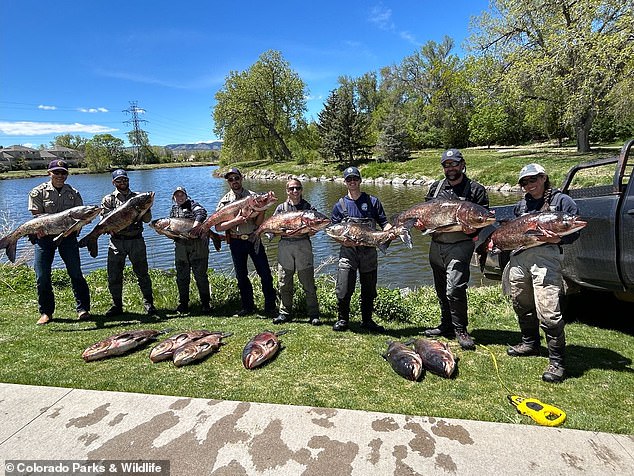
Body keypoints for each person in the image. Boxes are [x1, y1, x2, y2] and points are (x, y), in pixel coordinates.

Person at [506, 163, 579, 383]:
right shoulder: (522, 205)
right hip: (520, 258)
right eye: (525, 182)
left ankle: (556, 362)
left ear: (544, 178)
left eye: (533, 179)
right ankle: (530, 343)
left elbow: (574, 231)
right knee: (520, 300)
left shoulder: (562, 201)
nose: (530, 185)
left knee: (548, 309)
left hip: (546, 258)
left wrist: (557, 238)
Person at [422, 149, 489, 350]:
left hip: (461, 244)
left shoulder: (476, 190)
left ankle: (461, 329)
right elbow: (426, 217)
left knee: (455, 288)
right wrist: (421, 225)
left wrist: (474, 228)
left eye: (454, 164)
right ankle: (446, 325)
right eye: (446, 165)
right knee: (441, 288)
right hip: (437, 244)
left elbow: (484, 219)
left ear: (462, 164)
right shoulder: (436, 188)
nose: (450, 168)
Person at [28, 159, 91, 325]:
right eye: (56, 172)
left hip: (68, 238)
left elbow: (81, 217)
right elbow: (36, 217)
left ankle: (83, 309)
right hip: (44, 239)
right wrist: (38, 230)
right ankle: (46, 312)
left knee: (76, 273)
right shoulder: (38, 192)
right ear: (49, 173)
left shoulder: (74, 193)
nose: (60, 175)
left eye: (63, 172)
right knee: (42, 275)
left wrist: (82, 224)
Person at [330, 166, 391, 333]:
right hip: (348, 252)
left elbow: (384, 223)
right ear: (345, 182)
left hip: (369, 251)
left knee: (369, 289)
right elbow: (332, 230)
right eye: (349, 179)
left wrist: (391, 232)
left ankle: (367, 320)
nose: (352, 182)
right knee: (343, 287)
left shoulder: (372, 201)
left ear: (360, 180)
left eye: (355, 178)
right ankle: (342, 320)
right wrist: (343, 241)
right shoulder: (339, 205)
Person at [214, 167, 276, 316]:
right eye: (230, 179)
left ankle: (270, 307)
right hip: (236, 242)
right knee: (241, 276)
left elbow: (258, 224)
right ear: (228, 182)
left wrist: (262, 209)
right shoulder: (224, 202)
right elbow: (218, 227)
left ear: (241, 178)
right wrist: (235, 221)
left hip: (253, 239)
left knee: (265, 273)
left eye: (236, 178)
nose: (234, 181)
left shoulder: (253, 197)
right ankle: (247, 307)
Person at [102, 169, 156, 316]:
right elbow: (104, 221)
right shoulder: (108, 200)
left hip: (136, 240)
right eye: (118, 180)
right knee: (114, 275)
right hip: (116, 242)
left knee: (142, 274)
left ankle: (149, 303)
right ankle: (117, 305)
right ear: (113, 182)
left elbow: (147, 220)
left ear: (128, 180)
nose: (122, 183)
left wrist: (147, 207)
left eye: (124, 180)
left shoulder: (139, 197)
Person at [272, 178, 321, 326]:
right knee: (284, 281)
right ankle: (285, 313)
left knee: (308, 281)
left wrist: (311, 230)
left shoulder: (308, 208)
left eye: (298, 188)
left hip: (303, 245)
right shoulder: (281, 208)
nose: (295, 191)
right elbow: (273, 228)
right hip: (285, 245)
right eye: (292, 188)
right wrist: (277, 231)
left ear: (301, 190)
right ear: (287, 191)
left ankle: (313, 314)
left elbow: (314, 231)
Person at [170, 186, 211, 314]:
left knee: (200, 276)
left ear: (186, 196)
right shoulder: (173, 211)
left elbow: (202, 213)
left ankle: (206, 304)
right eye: (177, 195)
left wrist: (195, 227)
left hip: (197, 247)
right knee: (182, 277)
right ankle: (183, 304)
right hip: (181, 247)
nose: (180, 197)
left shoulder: (193, 205)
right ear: (173, 198)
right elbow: (173, 232)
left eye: (182, 195)